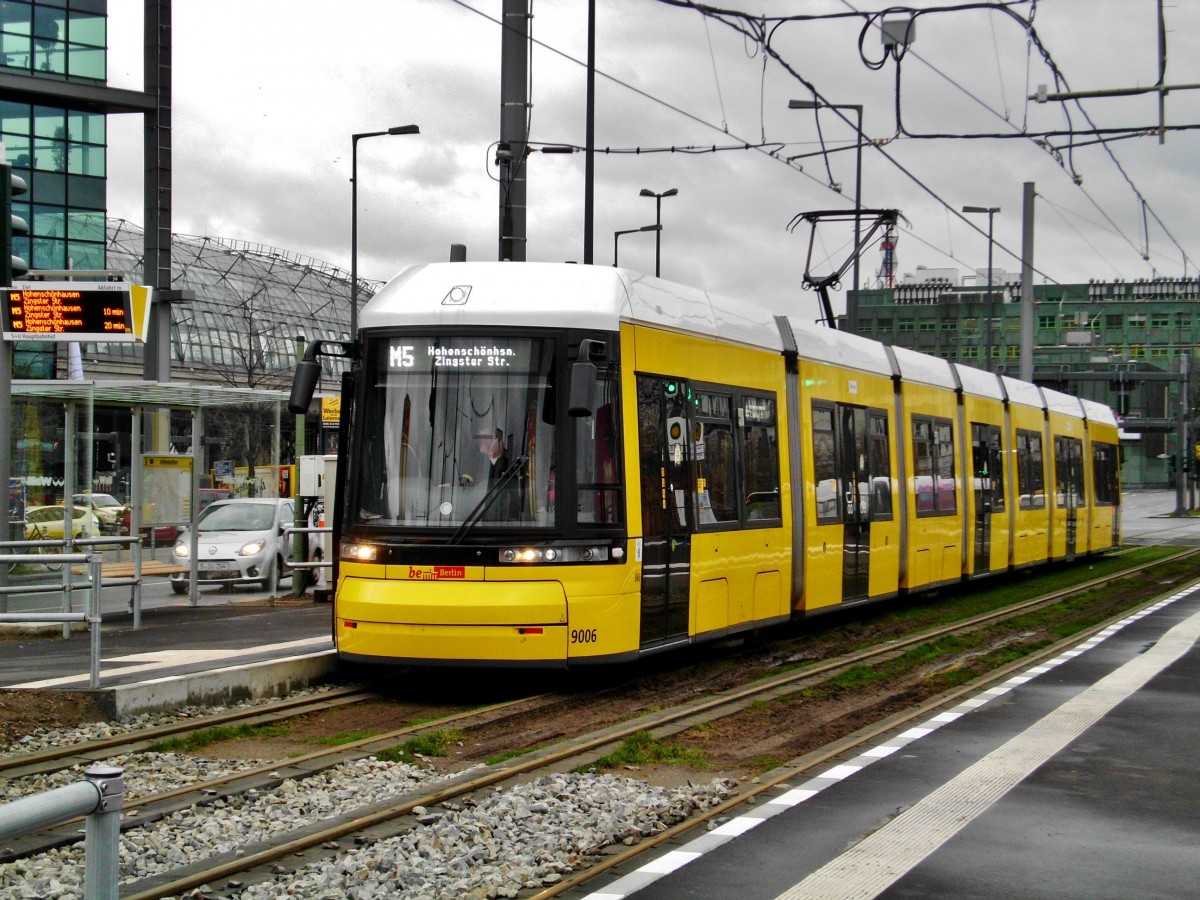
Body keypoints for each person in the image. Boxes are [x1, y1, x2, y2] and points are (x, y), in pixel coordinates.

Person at [474, 427, 518, 520]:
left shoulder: (509, 463)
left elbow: (514, 495)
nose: (494, 440)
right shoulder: (479, 464)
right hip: (478, 516)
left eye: (493, 438)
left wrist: (513, 518)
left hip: (499, 518)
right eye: (489, 439)